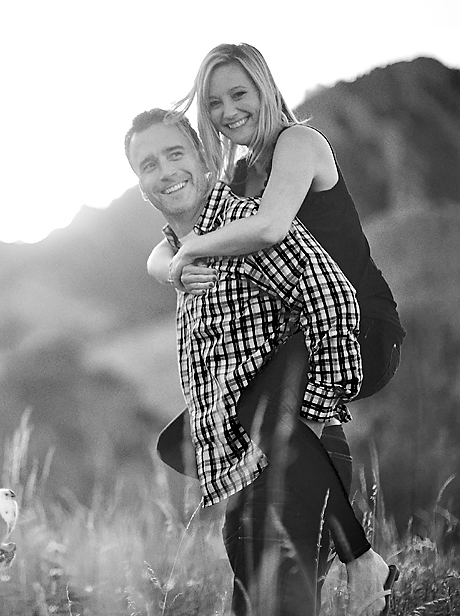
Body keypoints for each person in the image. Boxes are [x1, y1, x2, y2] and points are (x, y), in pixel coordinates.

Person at [148, 43, 403, 615]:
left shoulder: (299, 143)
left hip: (356, 325)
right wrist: (173, 266)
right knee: (179, 442)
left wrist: (186, 252)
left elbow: (267, 228)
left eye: (239, 93)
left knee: (260, 402)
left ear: (265, 88)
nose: (227, 110)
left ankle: (364, 560)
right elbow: (162, 253)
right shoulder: (239, 172)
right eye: (213, 102)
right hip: (298, 339)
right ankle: (276, 467)